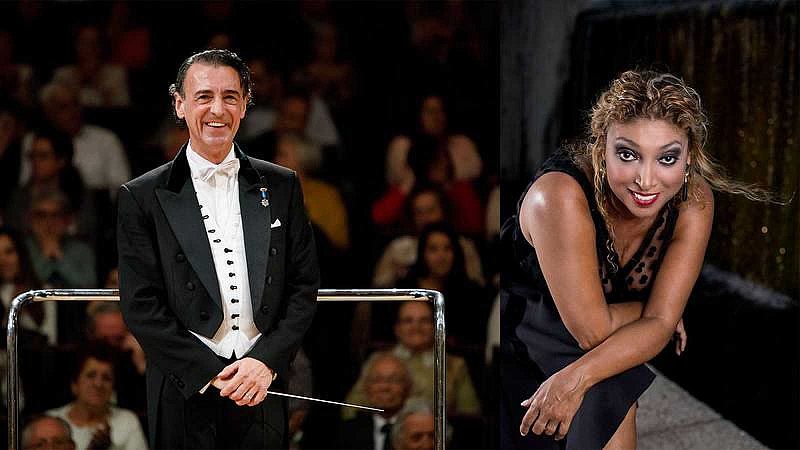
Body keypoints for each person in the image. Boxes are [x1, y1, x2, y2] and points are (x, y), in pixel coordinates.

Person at [501, 70, 776, 449]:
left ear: (689, 158)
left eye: (667, 158)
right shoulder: (558, 196)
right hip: (520, 327)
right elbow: (596, 330)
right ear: (602, 148)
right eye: (628, 155)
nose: (646, 180)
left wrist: (577, 378)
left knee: (611, 392)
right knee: (607, 386)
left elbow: (658, 325)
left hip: (590, 336)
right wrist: (655, 311)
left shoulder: (694, 201)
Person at [117, 49, 319, 449]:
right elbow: (140, 304)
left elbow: (302, 286)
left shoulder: (282, 185)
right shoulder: (141, 195)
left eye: (230, 97)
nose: (217, 109)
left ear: (245, 104)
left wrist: (265, 362)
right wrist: (207, 370)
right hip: (183, 388)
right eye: (204, 96)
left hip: (260, 384)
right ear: (180, 104)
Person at [346, 301, 481, 419]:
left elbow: (470, 415)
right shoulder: (377, 361)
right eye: (408, 321)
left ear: (436, 327)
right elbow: (350, 409)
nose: (416, 327)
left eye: (424, 321)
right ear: (397, 328)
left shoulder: (455, 365)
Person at [47, 343, 147, 450]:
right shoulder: (50, 422)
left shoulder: (127, 422)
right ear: (74, 384)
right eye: (90, 375)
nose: (98, 384)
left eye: (106, 378)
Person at [336, 352, 413, 449]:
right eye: (377, 380)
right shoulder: (346, 432)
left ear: (408, 387)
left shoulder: (422, 430)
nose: (385, 387)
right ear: (366, 387)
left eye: (394, 380)